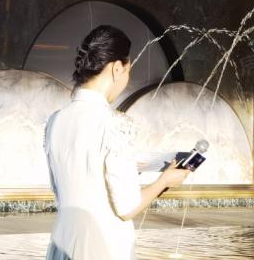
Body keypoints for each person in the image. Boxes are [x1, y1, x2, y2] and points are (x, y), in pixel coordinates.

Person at [44, 25, 190, 260]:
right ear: (116, 68)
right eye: (128, 71)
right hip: (103, 246)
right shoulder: (115, 123)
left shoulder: (55, 120)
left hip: (61, 244)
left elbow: (69, 183)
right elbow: (127, 207)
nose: (126, 80)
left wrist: (145, 164)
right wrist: (165, 181)